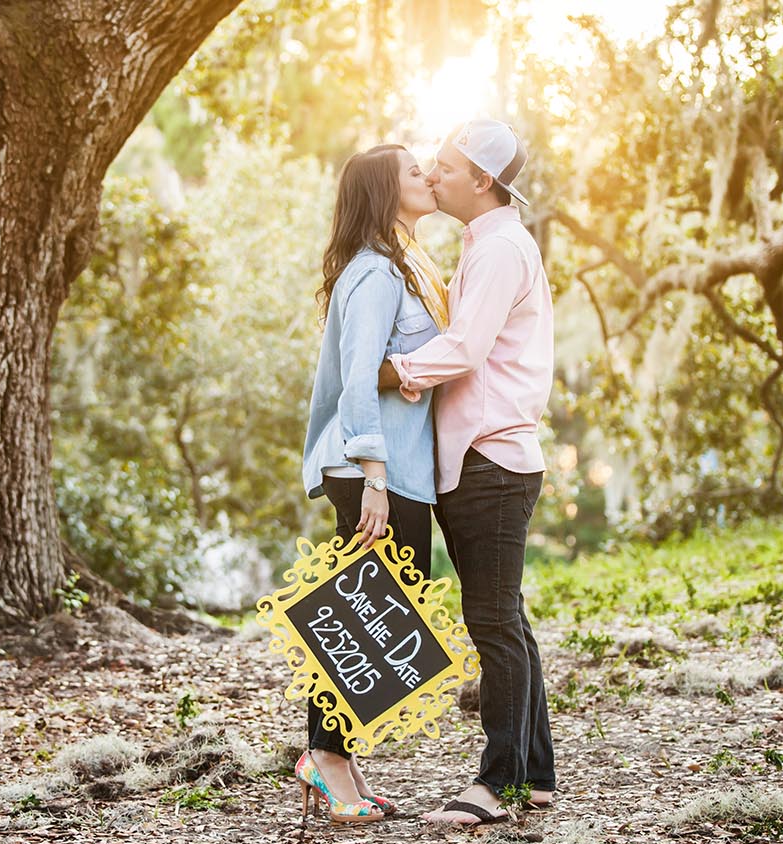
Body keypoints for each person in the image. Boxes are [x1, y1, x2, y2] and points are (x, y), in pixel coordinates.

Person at [379, 119, 557, 826]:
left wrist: (389, 373)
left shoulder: (501, 249)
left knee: (491, 623)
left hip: (492, 461)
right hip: (480, 460)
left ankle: (496, 786)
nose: (433, 175)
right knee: (505, 618)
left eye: (446, 167)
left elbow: (465, 349)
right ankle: (533, 776)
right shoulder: (485, 244)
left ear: (482, 180)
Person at [297, 143, 448, 823]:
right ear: (387, 193)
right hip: (372, 472)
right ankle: (326, 760)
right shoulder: (377, 274)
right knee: (361, 626)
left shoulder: (402, 266)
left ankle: (337, 758)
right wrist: (376, 479)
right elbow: (358, 380)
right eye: (415, 171)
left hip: (394, 469)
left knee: (375, 625)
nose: (430, 177)